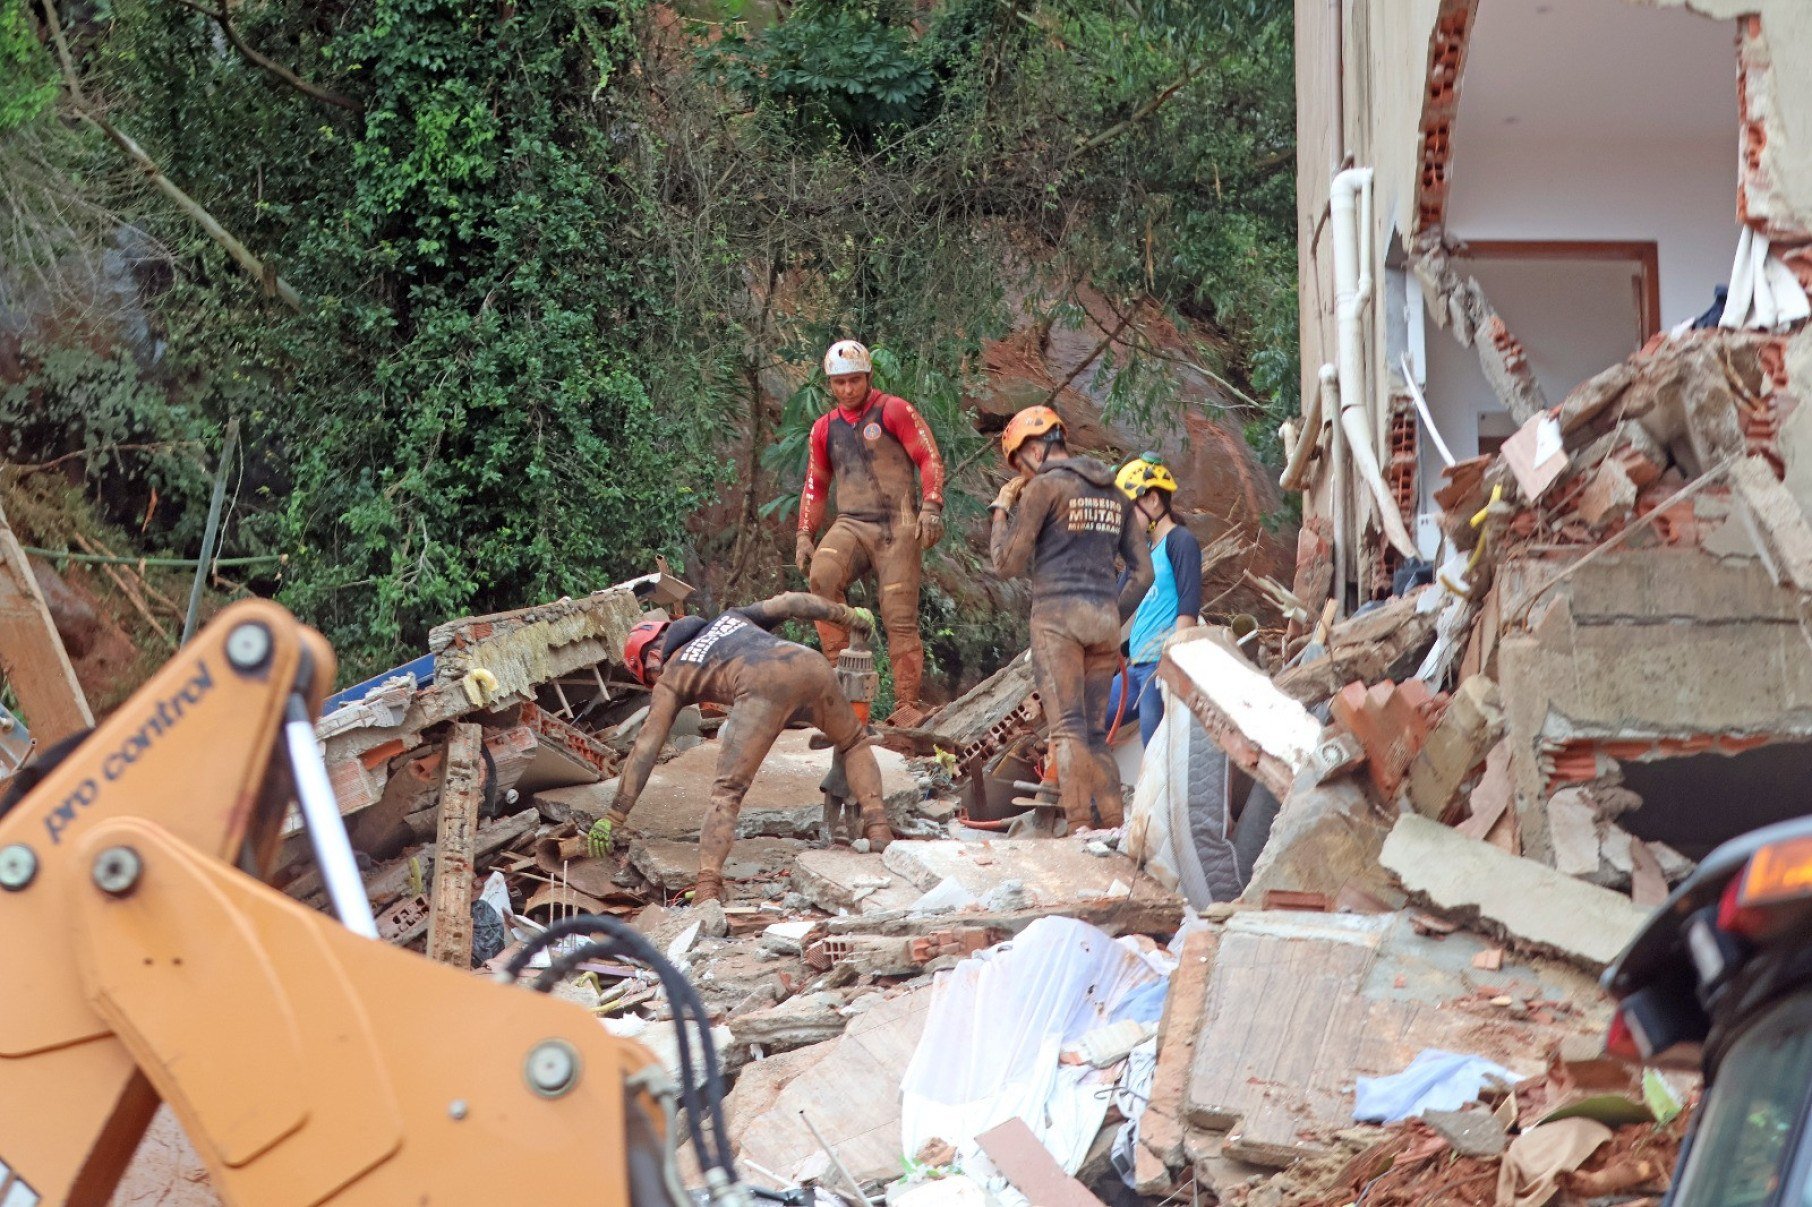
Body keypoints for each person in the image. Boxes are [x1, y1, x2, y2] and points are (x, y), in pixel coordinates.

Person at [587, 593, 894, 902]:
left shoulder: (672, 675)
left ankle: (707, 885)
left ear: (653, 659)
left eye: (648, 675)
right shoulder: (731, 617)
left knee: (727, 791)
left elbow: (646, 747)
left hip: (759, 687)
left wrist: (614, 815)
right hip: (809, 664)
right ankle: (878, 828)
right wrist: (848, 615)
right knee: (854, 742)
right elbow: (792, 603)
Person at [989, 406, 1153, 830]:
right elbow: (1144, 571)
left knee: (1066, 729)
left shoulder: (1046, 488)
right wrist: (1112, 613)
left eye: (1018, 461)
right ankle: (1113, 827)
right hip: (1102, 624)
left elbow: (1006, 562)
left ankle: (1078, 826)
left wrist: (1002, 507)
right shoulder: (1115, 491)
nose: (1021, 472)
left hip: (1057, 620)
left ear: (1033, 446)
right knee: (1095, 733)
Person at [796, 339, 945, 724]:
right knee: (822, 578)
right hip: (851, 523)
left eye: (855, 381)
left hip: (898, 524)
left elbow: (927, 456)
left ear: (868, 377)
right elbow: (815, 485)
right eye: (840, 383)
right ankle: (840, 684)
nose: (848, 390)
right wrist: (804, 535)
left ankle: (906, 704)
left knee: (899, 614)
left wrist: (931, 505)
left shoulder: (894, 410)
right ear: (830, 384)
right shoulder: (823, 429)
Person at [1108, 455, 1201, 747]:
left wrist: (1173, 667)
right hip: (1135, 668)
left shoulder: (1180, 541)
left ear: (1151, 500)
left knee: (1156, 748)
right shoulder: (1142, 553)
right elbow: (1115, 605)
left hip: (1158, 669)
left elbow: (1188, 606)